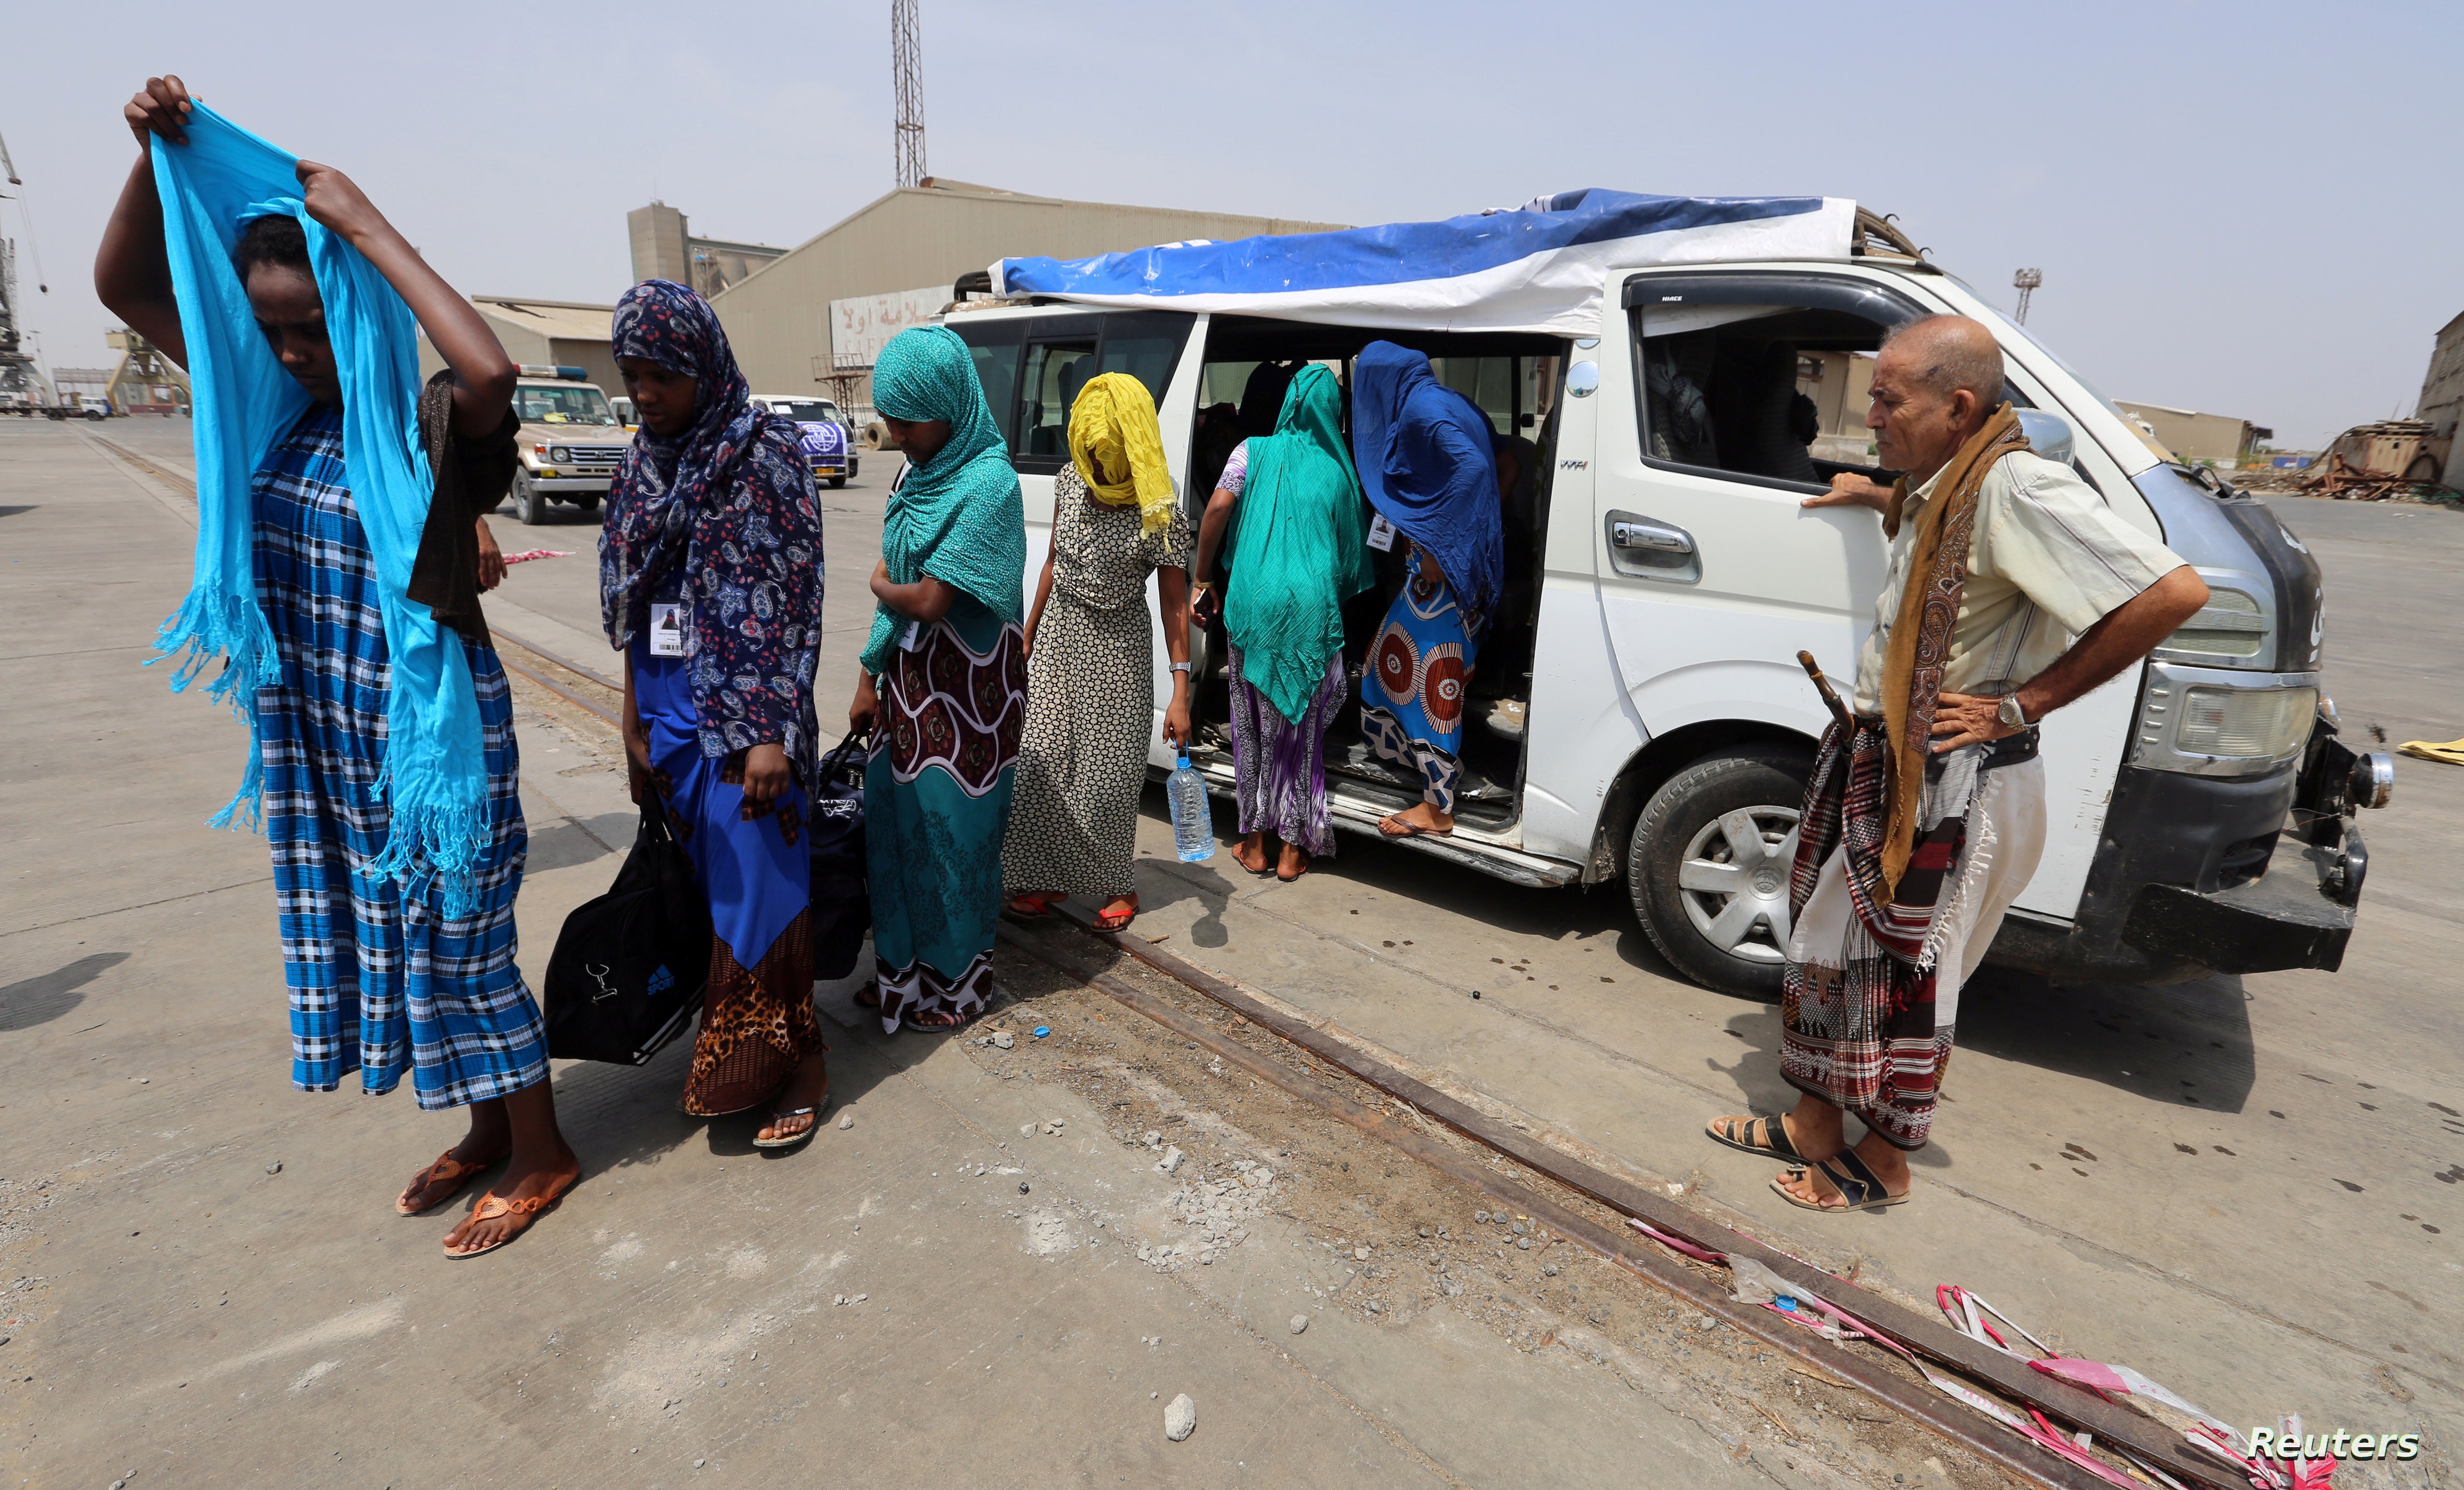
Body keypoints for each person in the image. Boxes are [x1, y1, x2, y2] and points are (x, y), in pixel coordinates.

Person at [97, 76, 578, 1258]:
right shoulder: (266, 412)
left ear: (351, 300)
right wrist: (149, 155)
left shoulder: (418, 430)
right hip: (321, 730)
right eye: (270, 328)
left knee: (463, 946)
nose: (292, 349)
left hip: (429, 745)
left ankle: (544, 1149)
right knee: (399, 939)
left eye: (310, 324)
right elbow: (123, 284)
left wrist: (368, 226)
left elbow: (492, 375)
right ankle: (484, 1129)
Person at [1705, 316, 2208, 1214]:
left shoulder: (2016, 487)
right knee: (1831, 951)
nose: (1872, 415)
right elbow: (1934, 534)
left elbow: (2174, 592)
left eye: (1889, 400)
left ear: (1958, 404)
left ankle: (1885, 1163)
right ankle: (1817, 1125)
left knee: (1909, 977)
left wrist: (2027, 702)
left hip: (1954, 785)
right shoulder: (1945, 481)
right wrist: (1869, 493)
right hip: (1887, 763)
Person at [602, 280, 830, 1146]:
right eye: (633, 375)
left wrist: (769, 728)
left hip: (748, 723)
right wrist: (630, 720)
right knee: (709, 890)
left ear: (704, 363)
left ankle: (799, 1065)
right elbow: (636, 605)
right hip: (666, 708)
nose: (647, 393)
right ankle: (741, 1056)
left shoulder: (764, 454)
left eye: (663, 374)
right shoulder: (641, 466)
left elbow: (790, 598)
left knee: (762, 897)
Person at [848, 325, 1027, 1031]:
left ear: (951, 406)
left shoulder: (989, 482)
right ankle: (900, 978)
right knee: (899, 839)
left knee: (955, 843)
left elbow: (926, 598)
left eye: (908, 419)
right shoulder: (915, 475)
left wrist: (878, 584)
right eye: (888, 418)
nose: (896, 434)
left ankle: (954, 988)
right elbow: (904, 590)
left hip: (970, 702)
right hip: (911, 691)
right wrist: (870, 675)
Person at [1002, 373, 1194, 931]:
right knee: (1041, 759)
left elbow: (1175, 606)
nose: (1098, 474)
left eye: (1108, 464)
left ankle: (1119, 886)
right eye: (1091, 460)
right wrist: (1029, 630)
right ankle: (1044, 880)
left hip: (1119, 651)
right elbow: (1053, 561)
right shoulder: (1067, 481)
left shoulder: (1159, 510)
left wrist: (1180, 692)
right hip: (1060, 638)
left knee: (1108, 775)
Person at [1190, 363, 1373, 882]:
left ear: (1289, 403)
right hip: (1310, 609)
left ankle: (1254, 846)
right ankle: (1294, 851)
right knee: (1301, 732)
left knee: (1250, 727)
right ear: (1333, 413)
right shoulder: (1339, 472)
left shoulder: (1250, 451)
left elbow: (1218, 507)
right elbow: (1347, 557)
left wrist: (1203, 578)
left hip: (1253, 603)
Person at [1349, 342, 1505, 838]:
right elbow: (1500, 460)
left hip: (1443, 573)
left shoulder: (1421, 410)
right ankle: (1420, 768)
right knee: (1388, 664)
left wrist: (1441, 541)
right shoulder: (1448, 399)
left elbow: (1476, 470)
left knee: (1433, 681)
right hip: (1460, 569)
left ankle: (1437, 808)